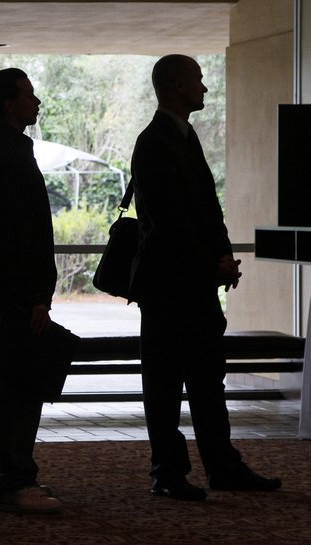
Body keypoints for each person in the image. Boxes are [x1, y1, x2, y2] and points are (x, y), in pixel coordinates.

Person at [130, 54, 282, 501]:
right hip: (168, 288)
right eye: (198, 79)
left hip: (190, 285)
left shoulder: (183, 136)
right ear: (177, 86)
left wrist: (224, 256)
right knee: (165, 385)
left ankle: (221, 466)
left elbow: (203, 211)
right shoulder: (155, 142)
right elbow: (167, 222)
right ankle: (169, 473)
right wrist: (209, 263)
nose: (205, 87)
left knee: (206, 380)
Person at [0, 68, 63, 514]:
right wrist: (36, 298)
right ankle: (14, 480)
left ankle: (2, 478)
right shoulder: (8, 156)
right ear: (8, 104)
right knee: (16, 389)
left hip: (2, 294)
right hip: (12, 296)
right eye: (28, 95)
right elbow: (18, 237)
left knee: (5, 384)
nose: (36, 101)